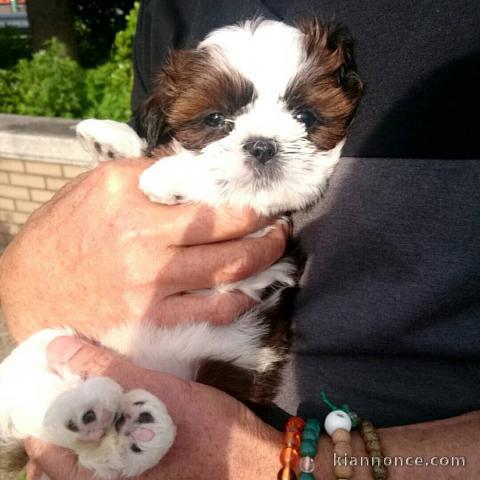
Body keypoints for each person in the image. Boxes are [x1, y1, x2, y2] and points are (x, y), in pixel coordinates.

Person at [1, 1, 479, 478]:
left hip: (244, 398)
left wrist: (284, 464)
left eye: (307, 118)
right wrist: (24, 272)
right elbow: (135, 204)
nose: (262, 144)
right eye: (217, 123)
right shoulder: (172, 13)